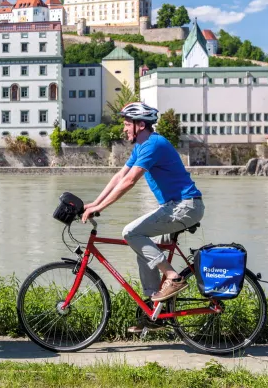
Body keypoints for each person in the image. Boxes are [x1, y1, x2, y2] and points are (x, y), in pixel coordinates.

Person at [82, 102, 204, 333]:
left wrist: (102, 207)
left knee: (131, 232)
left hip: (185, 206)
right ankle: (154, 310)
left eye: (127, 124)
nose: (124, 129)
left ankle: (173, 277)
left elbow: (130, 182)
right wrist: (95, 203)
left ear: (140, 125)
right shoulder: (141, 146)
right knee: (144, 249)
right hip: (174, 206)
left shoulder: (153, 144)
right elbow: (120, 175)